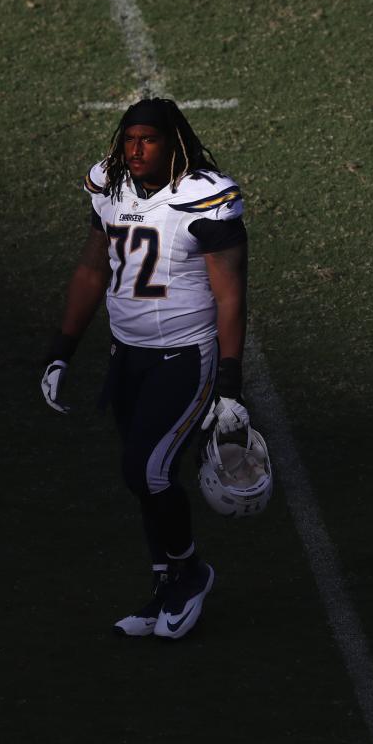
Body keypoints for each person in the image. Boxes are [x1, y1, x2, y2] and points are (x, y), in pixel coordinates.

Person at [39, 98, 250, 639]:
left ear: (172, 143)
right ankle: (166, 582)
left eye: (148, 139)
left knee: (148, 471)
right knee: (144, 479)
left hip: (184, 355)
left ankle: (192, 573)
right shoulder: (110, 187)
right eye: (129, 138)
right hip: (126, 354)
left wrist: (229, 385)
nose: (135, 149)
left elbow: (230, 297)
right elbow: (91, 270)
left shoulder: (204, 197)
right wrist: (61, 349)